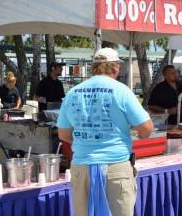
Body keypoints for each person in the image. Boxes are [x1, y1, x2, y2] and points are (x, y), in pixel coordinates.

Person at [57, 48, 153, 216]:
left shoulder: (73, 92)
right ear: (115, 68)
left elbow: (63, 134)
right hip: (115, 167)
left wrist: (87, 139)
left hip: (82, 167)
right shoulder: (121, 90)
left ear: (93, 67)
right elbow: (146, 129)